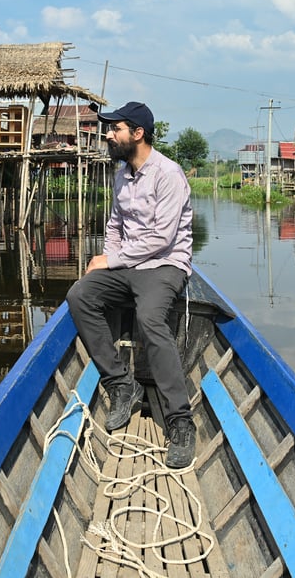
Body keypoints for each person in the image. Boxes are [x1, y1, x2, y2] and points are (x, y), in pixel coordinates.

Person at [66, 101, 196, 468]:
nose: (108, 134)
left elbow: (161, 238)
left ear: (137, 134)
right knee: (80, 295)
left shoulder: (168, 174)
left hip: (164, 265)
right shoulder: (121, 174)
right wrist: (106, 263)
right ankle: (122, 383)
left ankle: (180, 420)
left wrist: (111, 260)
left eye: (115, 129)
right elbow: (115, 226)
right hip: (128, 265)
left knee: (151, 318)